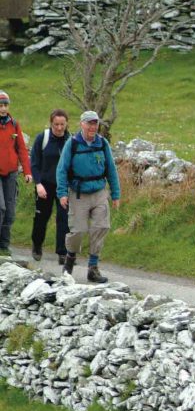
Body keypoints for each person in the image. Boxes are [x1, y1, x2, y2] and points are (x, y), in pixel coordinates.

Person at [56, 110, 120, 283]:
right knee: (78, 231)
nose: (93, 127)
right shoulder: (73, 144)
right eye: (89, 123)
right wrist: (62, 193)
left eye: (95, 123)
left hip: (99, 191)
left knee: (101, 226)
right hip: (78, 194)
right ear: (81, 124)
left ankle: (93, 268)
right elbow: (61, 170)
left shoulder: (102, 143)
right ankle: (70, 259)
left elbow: (111, 170)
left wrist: (116, 194)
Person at [29, 108, 70, 264]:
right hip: (44, 185)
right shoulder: (43, 138)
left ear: (67, 124)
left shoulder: (70, 141)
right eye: (56, 124)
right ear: (51, 123)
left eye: (62, 124)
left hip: (63, 187)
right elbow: (34, 163)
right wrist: (38, 184)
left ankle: (62, 253)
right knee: (41, 218)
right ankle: (37, 244)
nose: (59, 128)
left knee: (64, 219)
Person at [0, 90, 32, 256]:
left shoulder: (14, 124)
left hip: (11, 173)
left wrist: (27, 171)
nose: (3, 108)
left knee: (10, 211)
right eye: (0, 105)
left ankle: (4, 247)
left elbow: (21, 148)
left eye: (5, 105)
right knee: (1, 208)